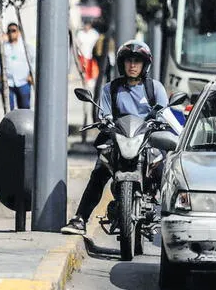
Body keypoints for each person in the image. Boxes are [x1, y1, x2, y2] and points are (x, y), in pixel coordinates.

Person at [61, 40, 169, 235]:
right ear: (122, 64)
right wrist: (104, 122)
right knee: (99, 172)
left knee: (164, 172)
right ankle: (79, 219)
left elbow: (165, 113)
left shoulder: (155, 88)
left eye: (137, 61)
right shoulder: (110, 89)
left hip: (146, 141)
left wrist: (161, 121)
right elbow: (105, 114)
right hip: (119, 139)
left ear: (145, 64)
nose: (133, 65)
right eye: (129, 61)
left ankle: (173, 217)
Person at [0, 23, 34, 109]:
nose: (11, 33)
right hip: (8, 83)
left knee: (24, 109)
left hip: (23, 82)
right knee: (9, 109)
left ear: (18, 32)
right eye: (9, 31)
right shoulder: (4, 47)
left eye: (13, 31)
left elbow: (35, 59)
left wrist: (31, 74)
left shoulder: (25, 47)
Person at [76, 20, 100, 88]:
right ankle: (85, 80)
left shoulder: (94, 33)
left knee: (92, 68)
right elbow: (78, 44)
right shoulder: (80, 33)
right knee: (84, 68)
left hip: (91, 54)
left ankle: (90, 80)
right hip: (82, 54)